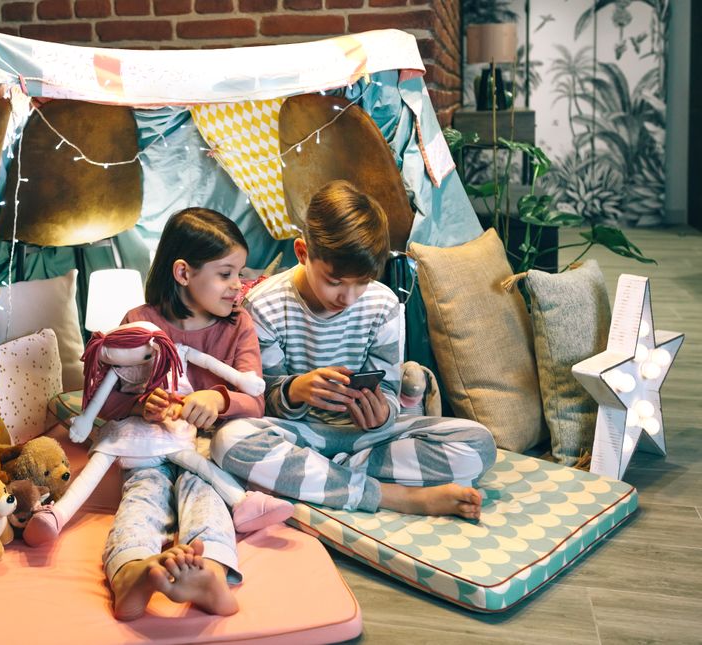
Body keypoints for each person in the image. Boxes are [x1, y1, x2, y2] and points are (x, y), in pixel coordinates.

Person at [211, 180, 497, 520]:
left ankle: (317, 476)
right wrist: (295, 391)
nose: (347, 297)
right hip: (300, 435)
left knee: (479, 444)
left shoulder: (383, 305)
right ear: (303, 253)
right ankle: (393, 496)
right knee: (228, 440)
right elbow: (262, 397)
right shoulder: (264, 307)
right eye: (335, 281)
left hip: (366, 441)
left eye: (361, 282)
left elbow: (388, 388)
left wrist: (382, 414)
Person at [88, 208, 273, 621]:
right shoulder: (139, 323)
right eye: (226, 274)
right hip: (150, 448)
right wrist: (141, 404)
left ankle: (209, 571)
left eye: (240, 274)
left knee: (204, 493)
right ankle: (131, 571)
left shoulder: (238, 326)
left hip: (206, 451)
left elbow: (256, 400)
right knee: (143, 494)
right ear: (184, 272)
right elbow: (104, 403)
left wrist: (218, 400)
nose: (238, 287)